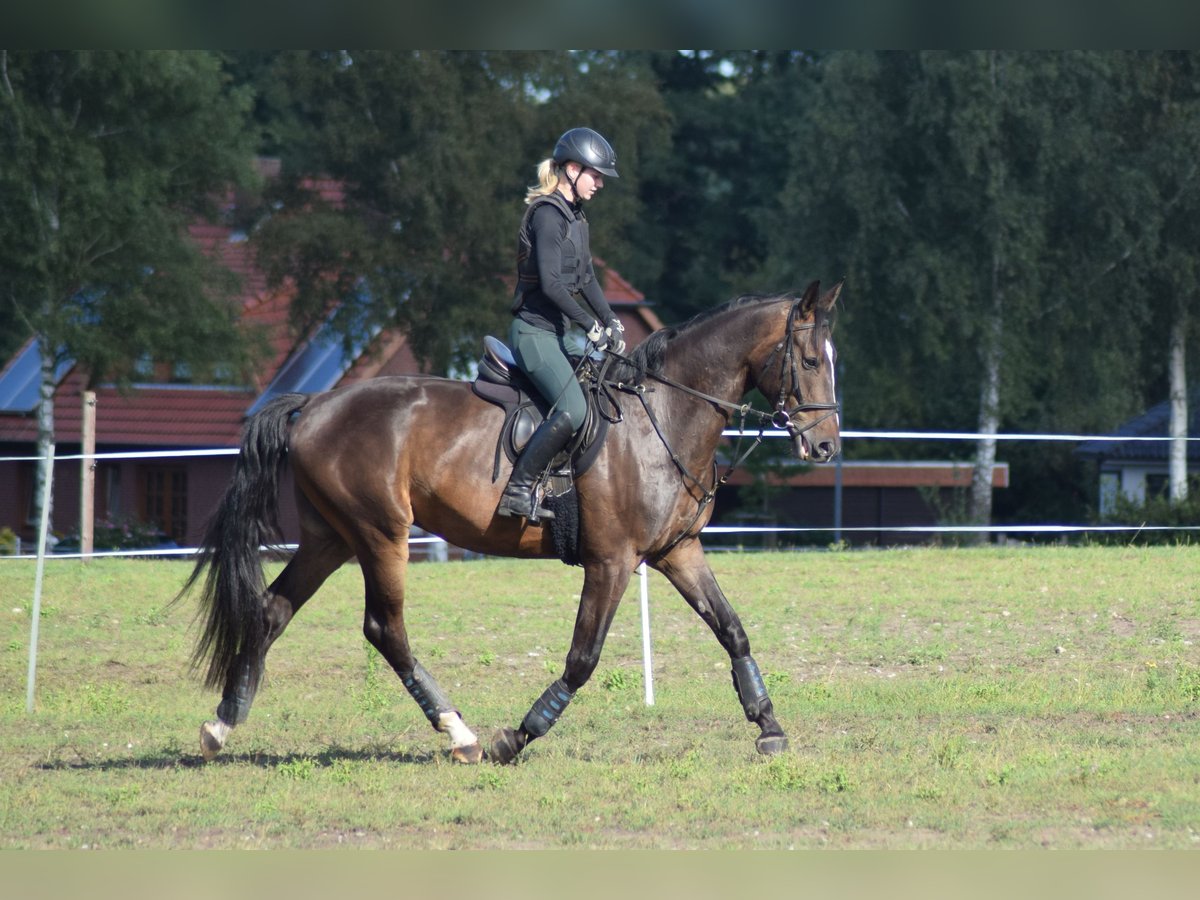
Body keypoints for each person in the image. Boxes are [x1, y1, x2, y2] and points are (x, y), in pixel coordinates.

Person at [497, 126, 627, 522]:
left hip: (556, 334)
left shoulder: (576, 218)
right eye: (595, 174)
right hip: (533, 335)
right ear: (572, 169)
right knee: (573, 408)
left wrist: (611, 320)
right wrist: (590, 326)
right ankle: (518, 491)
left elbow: (585, 277)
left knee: (608, 382)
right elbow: (553, 286)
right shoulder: (549, 217)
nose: (600, 183)